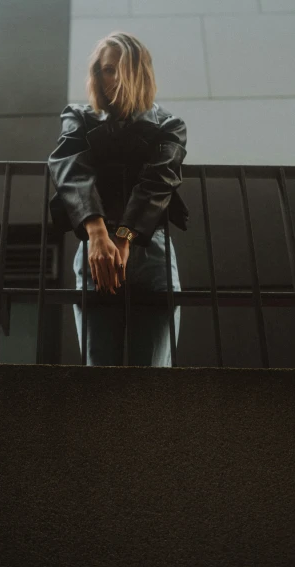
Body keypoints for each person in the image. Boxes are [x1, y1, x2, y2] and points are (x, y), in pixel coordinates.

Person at [47, 31, 188, 367]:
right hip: (96, 247)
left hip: (151, 248)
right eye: (102, 70)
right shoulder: (79, 116)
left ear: (138, 71)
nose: (107, 78)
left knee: (154, 375)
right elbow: (70, 168)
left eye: (115, 69)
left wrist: (124, 237)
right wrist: (97, 234)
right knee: (100, 373)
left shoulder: (169, 124)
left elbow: (158, 181)